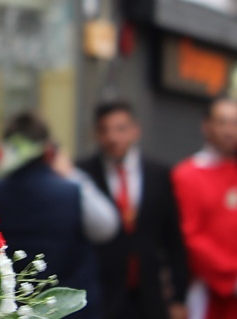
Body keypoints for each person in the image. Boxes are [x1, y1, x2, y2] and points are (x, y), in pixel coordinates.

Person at [0, 112, 118, 319]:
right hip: (71, 311)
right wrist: (70, 172)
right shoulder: (72, 191)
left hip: (14, 309)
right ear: (49, 150)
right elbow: (107, 228)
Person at [78, 100, 189, 319]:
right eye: (105, 130)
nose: (113, 137)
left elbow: (173, 239)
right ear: (96, 134)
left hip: (150, 293)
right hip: (102, 292)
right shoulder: (83, 174)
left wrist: (178, 298)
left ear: (135, 131)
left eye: (120, 129)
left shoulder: (159, 174)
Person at [172, 98, 237, 319]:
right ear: (206, 126)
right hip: (208, 290)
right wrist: (230, 274)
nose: (230, 131)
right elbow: (191, 236)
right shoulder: (188, 175)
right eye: (223, 122)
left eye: (235, 123)